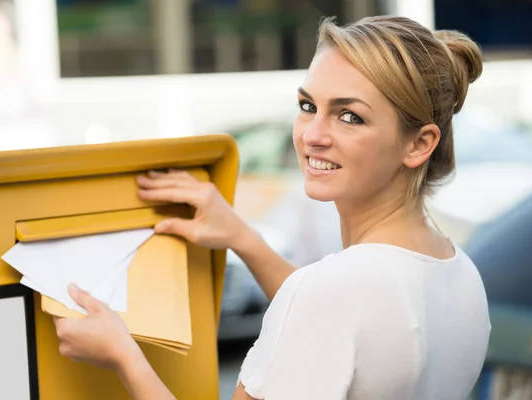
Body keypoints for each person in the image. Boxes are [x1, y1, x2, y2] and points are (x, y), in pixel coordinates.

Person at [53, 15, 491, 399]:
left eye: (349, 116)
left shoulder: (332, 291)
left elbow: (331, 307)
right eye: (307, 106)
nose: (311, 134)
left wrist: (124, 356)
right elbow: (339, 323)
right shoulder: (461, 275)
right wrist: (242, 237)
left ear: (419, 144)